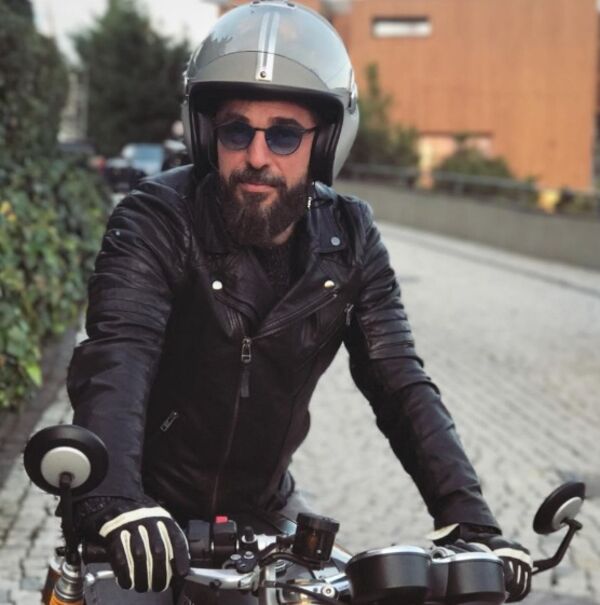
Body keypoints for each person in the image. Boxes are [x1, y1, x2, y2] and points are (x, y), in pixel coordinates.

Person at [68, 1, 532, 602]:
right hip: (142, 508)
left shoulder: (351, 237)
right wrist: (114, 497)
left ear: (325, 143)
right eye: (237, 130)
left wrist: (471, 522)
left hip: (264, 510)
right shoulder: (156, 217)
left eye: (284, 133)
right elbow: (119, 352)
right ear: (208, 136)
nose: (257, 156)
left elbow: (398, 380)